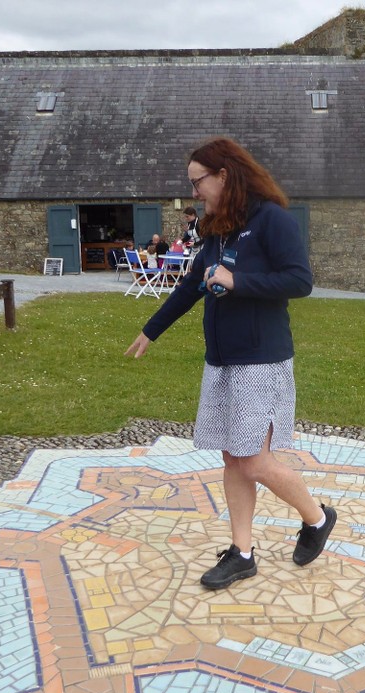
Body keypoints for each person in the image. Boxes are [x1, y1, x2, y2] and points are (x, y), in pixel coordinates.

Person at [125, 137, 336, 590]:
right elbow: (191, 287)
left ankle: (317, 518)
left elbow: (300, 280)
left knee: (254, 460)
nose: (193, 193)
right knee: (232, 456)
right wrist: (151, 329)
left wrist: (238, 280)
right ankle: (242, 553)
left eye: (197, 182)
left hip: (260, 360)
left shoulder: (271, 220)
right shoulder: (218, 228)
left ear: (224, 175)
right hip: (221, 360)